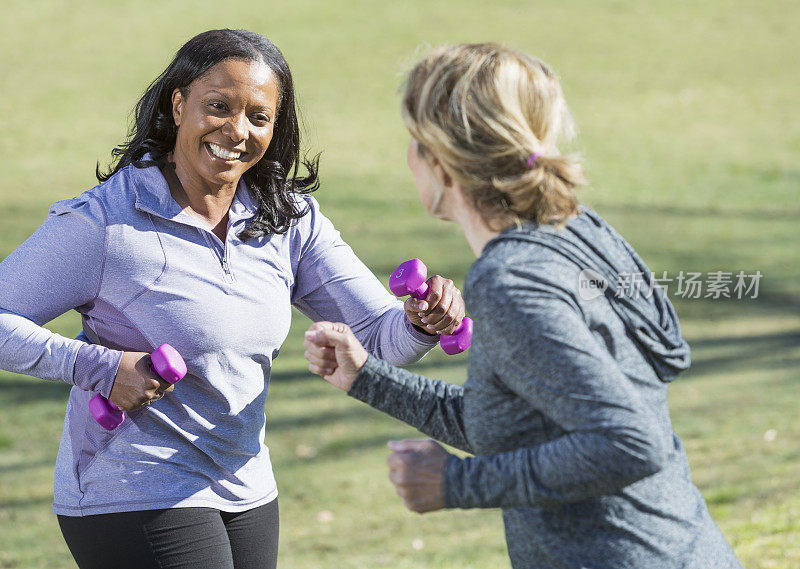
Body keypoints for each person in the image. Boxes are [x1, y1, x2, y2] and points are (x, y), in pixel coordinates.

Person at [0, 29, 466, 569]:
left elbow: (379, 340)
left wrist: (422, 320)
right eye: (217, 106)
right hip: (132, 488)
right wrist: (99, 366)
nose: (236, 131)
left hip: (245, 485)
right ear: (179, 106)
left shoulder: (287, 221)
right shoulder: (104, 223)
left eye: (258, 117)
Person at [303, 43, 744, 568]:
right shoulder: (577, 230)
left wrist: (455, 483)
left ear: (443, 162)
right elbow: (520, 424)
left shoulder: (509, 280)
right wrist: (367, 376)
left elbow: (630, 442)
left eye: (416, 141)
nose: (410, 156)